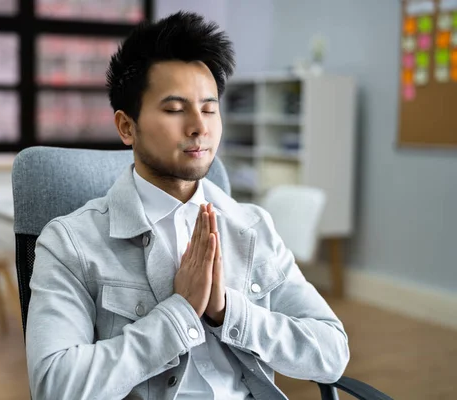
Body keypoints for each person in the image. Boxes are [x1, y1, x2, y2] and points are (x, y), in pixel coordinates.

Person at [26, 11, 349, 400]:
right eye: (175, 109)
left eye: (210, 108)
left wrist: (227, 311)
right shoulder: (70, 243)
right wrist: (179, 314)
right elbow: (55, 387)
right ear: (127, 126)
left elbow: (331, 352)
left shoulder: (251, 226)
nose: (199, 126)